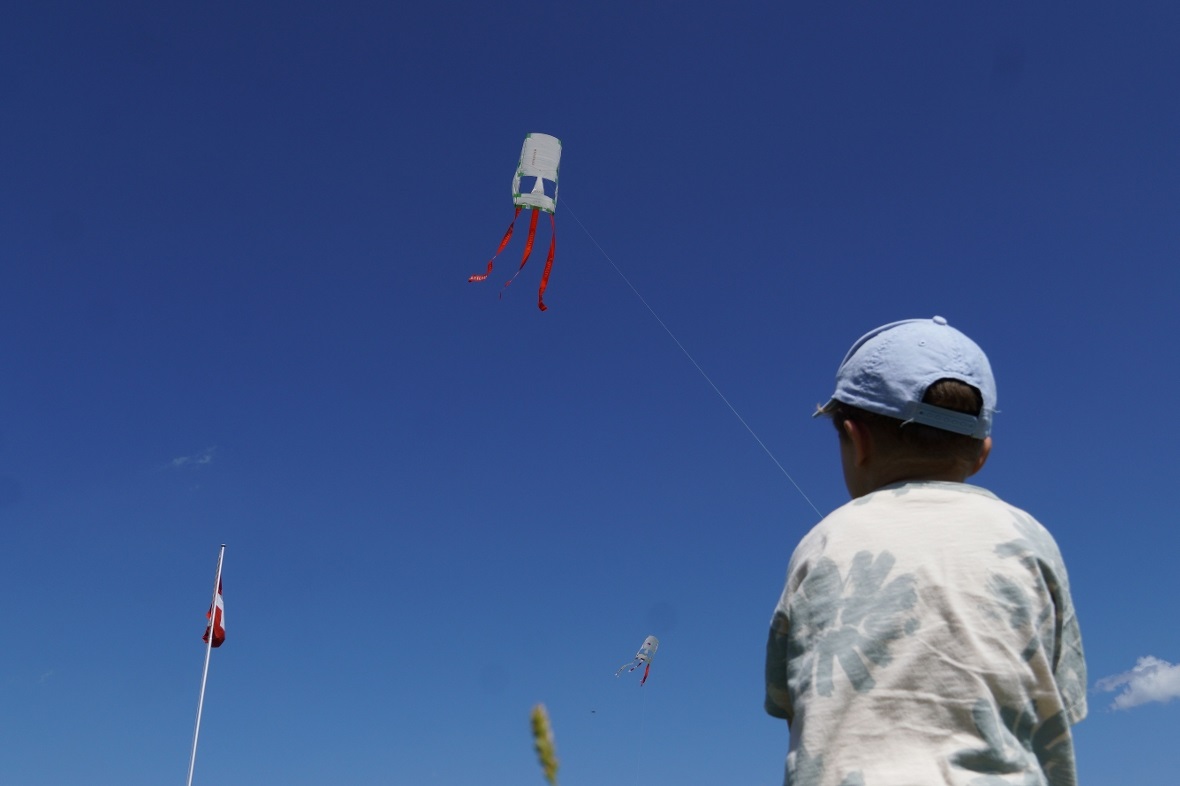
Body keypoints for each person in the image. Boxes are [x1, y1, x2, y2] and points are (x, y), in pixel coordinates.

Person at [764, 316, 1086, 786]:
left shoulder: (821, 542)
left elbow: (786, 699)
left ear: (856, 439)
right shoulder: (1029, 537)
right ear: (982, 453)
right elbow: (1062, 696)